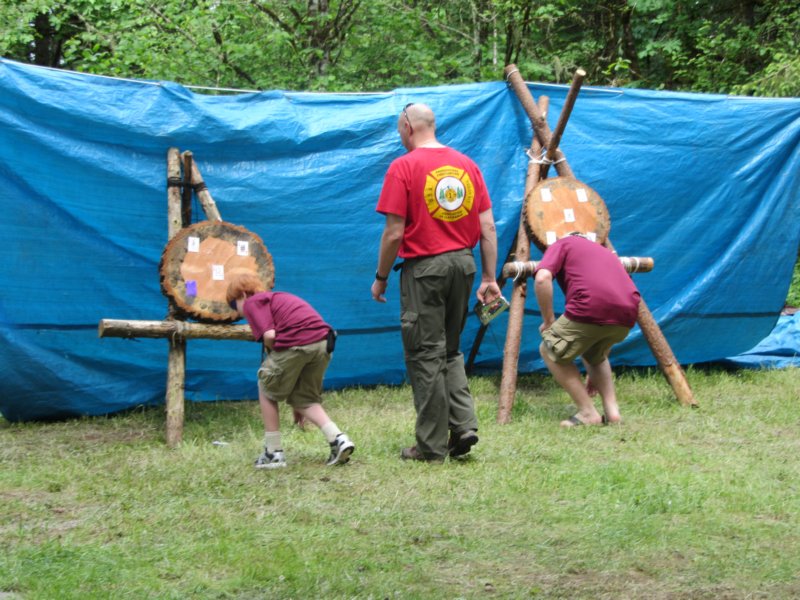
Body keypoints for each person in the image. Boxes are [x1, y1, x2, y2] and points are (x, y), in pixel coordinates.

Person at [371, 102, 502, 462]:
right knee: (450, 349)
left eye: (399, 130)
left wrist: (381, 277)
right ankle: (463, 425)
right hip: (465, 265)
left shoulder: (403, 167)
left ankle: (430, 446)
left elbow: (394, 232)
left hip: (425, 269)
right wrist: (489, 277)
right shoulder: (468, 166)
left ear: (408, 128)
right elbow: (488, 227)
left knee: (425, 353)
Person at [226, 273, 355, 468]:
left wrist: (271, 358)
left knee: (265, 385)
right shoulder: (277, 299)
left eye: (235, 306)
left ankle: (273, 452)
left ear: (243, 294)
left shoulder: (253, 301)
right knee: (305, 399)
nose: (240, 314)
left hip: (299, 343)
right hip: (323, 343)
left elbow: (270, 335)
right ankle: (338, 439)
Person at [533, 233, 641, 427]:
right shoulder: (606, 252)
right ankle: (613, 412)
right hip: (628, 312)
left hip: (590, 307)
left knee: (549, 349)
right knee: (595, 354)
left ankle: (587, 412)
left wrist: (548, 321)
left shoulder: (563, 243)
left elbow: (542, 278)